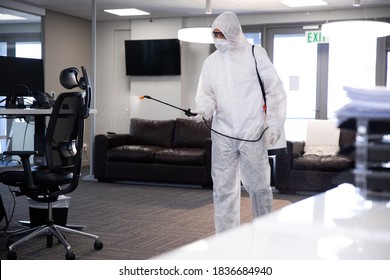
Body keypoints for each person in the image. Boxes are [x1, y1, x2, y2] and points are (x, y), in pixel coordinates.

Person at [189, 11, 286, 233]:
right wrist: (202, 110)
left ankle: (265, 230)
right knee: (223, 190)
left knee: (259, 187)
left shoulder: (255, 54)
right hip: (223, 133)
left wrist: (274, 123)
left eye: (221, 34)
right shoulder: (211, 62)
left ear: (233, 32)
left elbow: (275, 91)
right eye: (214, 35)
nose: (217, 40)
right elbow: (207, 94)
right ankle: (226, 238)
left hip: (252, 132)